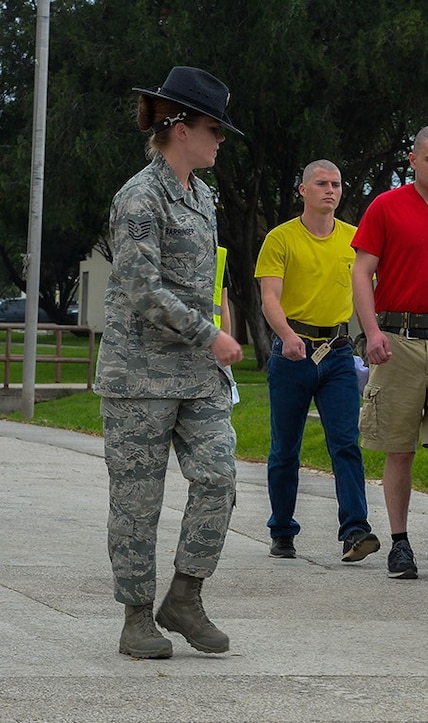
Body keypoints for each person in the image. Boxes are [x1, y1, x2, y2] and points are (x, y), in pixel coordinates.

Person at [96, 66, 244, 659]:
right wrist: (210, 335)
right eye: (214, 128)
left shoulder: (201, 195)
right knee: (138, 500)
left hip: (198, 374)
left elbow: (203, 280)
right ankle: (137, 618)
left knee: (219, 478)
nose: (220, 140)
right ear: (180, 127)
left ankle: (184, 596)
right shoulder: (140, 196)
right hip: (139, 375)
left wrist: (216, 336)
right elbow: (140, 287)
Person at [351, 125, 428, 579]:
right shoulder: (387, 206)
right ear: (414, 161)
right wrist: (372, 330)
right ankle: (399, 543)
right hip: (397, 337)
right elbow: (362, 273)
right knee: (398, 447)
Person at [255, 160, 380, 563]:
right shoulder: (281, 239)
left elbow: (370, 293)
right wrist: (287, 336)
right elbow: (269, 298)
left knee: (346, 442)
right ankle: (282, 530)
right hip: (293, 351)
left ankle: (355, 530)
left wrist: (374, 335)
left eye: (336, 184)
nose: (330, 190)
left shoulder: (354, 240)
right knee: (285, 448)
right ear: (302, 190)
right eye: (321, 183)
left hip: (339, 352)